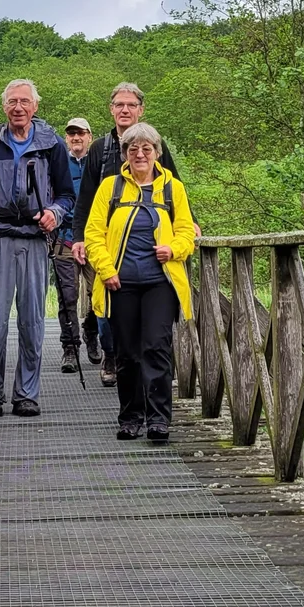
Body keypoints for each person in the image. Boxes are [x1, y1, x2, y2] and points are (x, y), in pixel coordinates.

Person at [0, 79, 76, 418]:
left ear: (35, 107)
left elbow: (66, 195)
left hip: (35, 238)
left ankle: (27, 394)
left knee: (32, 320)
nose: (18, 107)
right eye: (12, 102)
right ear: (4, 106)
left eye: (24, 101)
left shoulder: (52, 144)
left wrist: (54, 213)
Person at [83, 122, 194, 443]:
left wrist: (173, 249)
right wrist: (106, 270)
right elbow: (93, 233)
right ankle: (131, 417)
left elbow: (187, 231)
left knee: (156, 347)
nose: (140, 154)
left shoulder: (173, 188)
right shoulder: (110, 187)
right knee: (127, 353)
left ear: (157, 153)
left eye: (147, 149)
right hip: (120, 283)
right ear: (125, 154)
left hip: (161, 282)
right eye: (133, 149)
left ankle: (158, 420)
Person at [69, 82, 180, 386]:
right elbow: (86, 196)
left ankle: (143, 362)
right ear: (111, 109)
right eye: (119, 104)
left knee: (149, 310)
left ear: (141, 110)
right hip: (106, 242)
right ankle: (111, 354)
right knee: (106, 302)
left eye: (131, 105)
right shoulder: (100, 148)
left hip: (148, 245)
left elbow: (174, 187)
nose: (125, 110)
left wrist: (189, 225)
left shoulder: (155, 143)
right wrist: (79, 237)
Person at [51, 118, 97, 372]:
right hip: (65, 237)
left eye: (81, 133)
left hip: (95, 237)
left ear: (90, 136)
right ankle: (70, 348)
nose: (76, 137)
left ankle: (92, 330)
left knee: (99, 293)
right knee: (67, 295)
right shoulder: (58, 163)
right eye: (71, 134)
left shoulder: (98, 162)